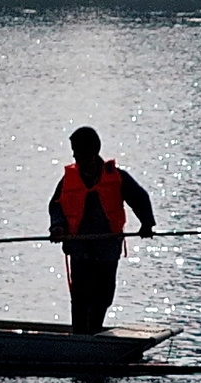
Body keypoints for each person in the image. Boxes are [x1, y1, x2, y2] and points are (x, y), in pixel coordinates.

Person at [48, 126, 156, 334]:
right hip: (79, 250)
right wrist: (58, 227)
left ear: (93, 150)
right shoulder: (69, 179)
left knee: (103, 296)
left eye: (78, 151)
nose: (75, 156)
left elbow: (139, 198)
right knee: (80, 298)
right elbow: (56, 205)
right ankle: (80, 337)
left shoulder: (116, 177)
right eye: (74, 151)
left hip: (107, 249)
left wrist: (147, 224)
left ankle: (95, 334)